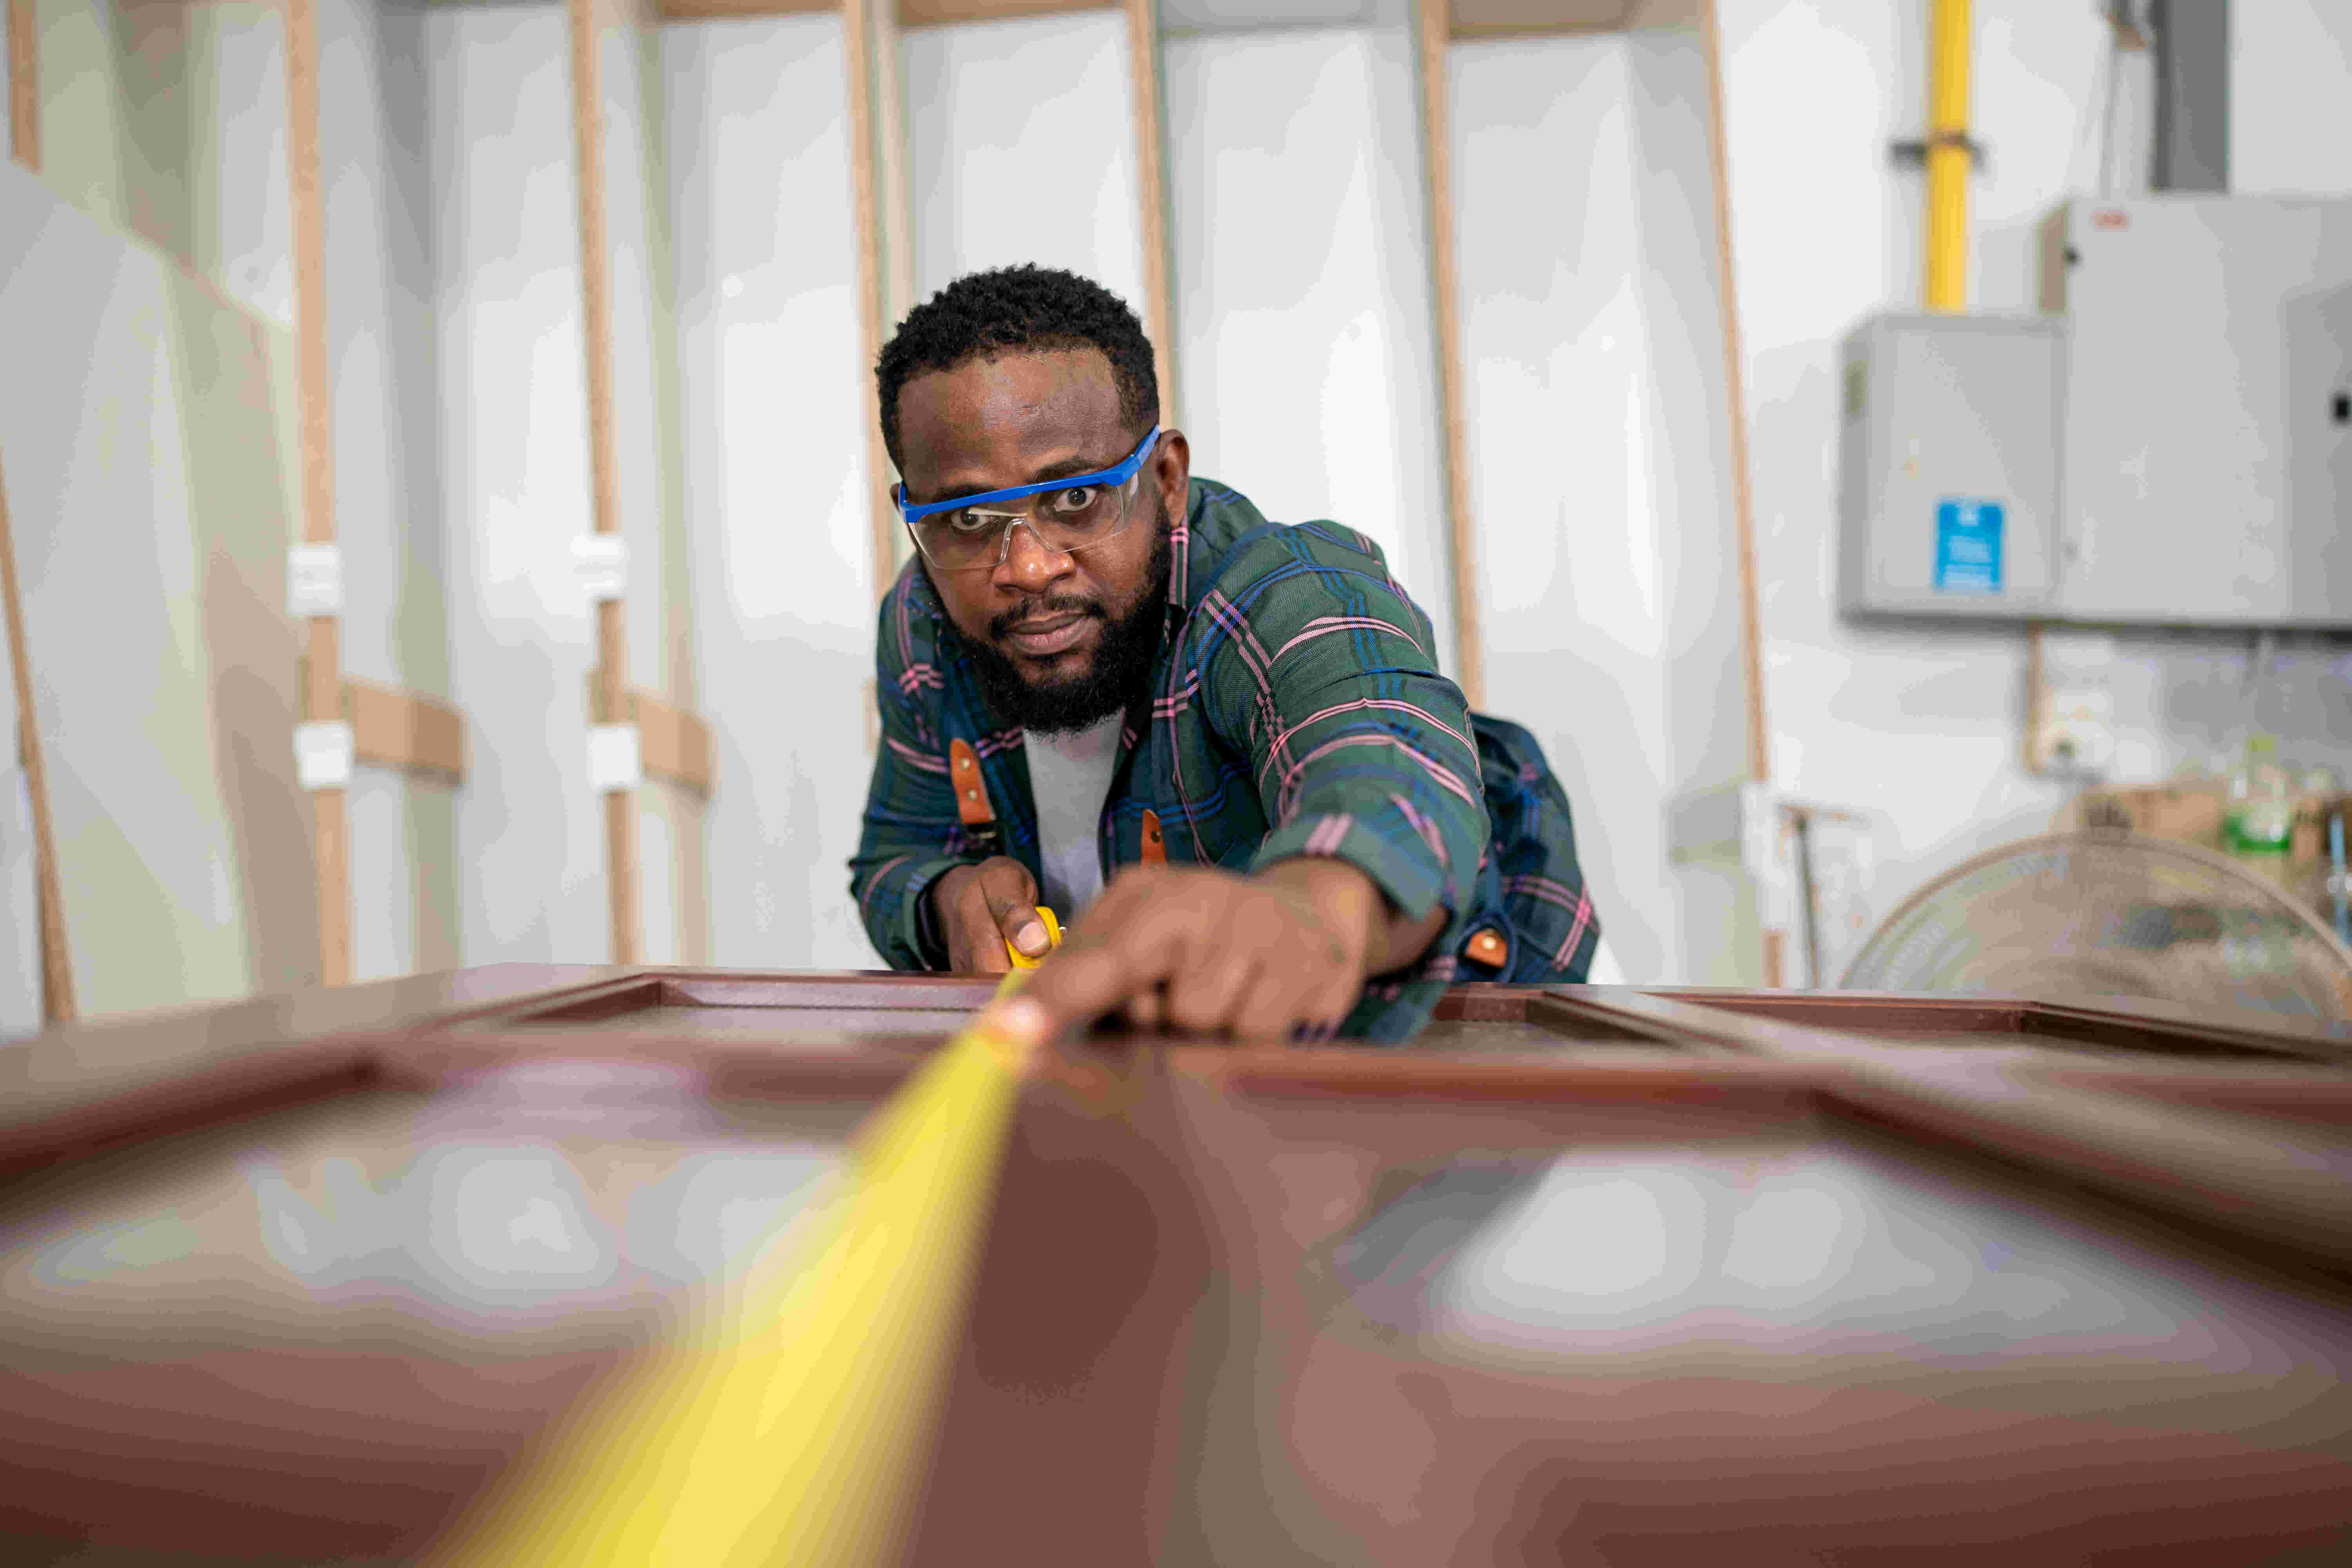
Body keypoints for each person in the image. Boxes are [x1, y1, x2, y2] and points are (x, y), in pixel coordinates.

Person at [849, 265, 1604, 1051]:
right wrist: (946, 900)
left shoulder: (1283, 592)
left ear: (1167, 478)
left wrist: (1306, 910)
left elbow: (1383, 754)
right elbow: (896, 856)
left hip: (1478, 1037)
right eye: (968, 518)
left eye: (1076, 498)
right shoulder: (923, 621)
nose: (1029, 567)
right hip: (1149, 1070)